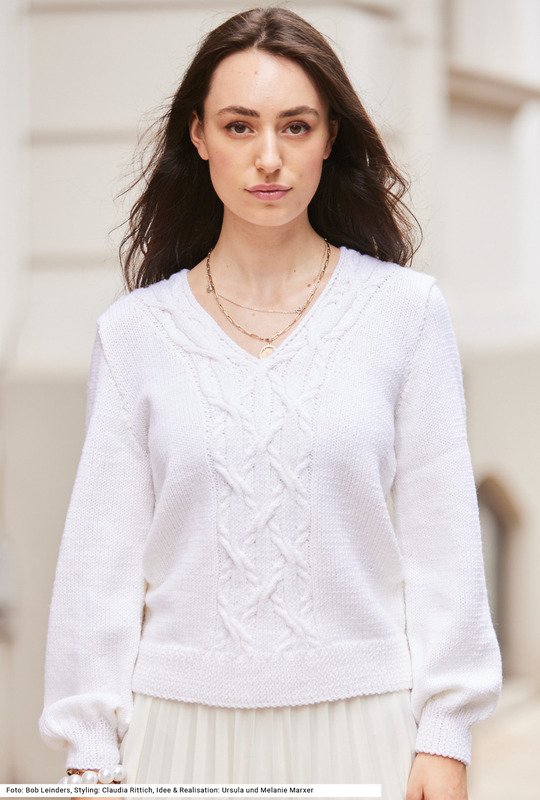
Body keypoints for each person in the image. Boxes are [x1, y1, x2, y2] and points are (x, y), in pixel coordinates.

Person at [38, 6, 503, 799]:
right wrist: (88, 753)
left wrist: (446, 733)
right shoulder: (134, 335)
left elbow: (443, 539)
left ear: (329, 138)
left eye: (295, 127)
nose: (268, 158)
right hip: (176, 740)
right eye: (239, 125)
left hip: (366, 733)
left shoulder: (406, 314)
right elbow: (98, 561)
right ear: (198, 135)